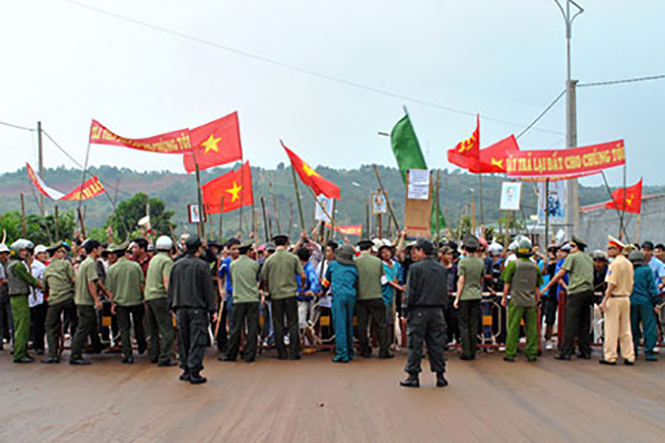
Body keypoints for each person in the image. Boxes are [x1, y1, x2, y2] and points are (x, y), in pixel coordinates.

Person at [168, 235, 217, 384]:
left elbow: (171, 287)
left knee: (183, 340)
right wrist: (212, 309)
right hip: (197, 308)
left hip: (180, 308)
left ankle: (185, 370)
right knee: (197, 340)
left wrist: (171, 306)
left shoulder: (176, 265)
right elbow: (208, 289)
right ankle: (194, 370)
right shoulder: (202, 266)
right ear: (199, 248)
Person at [400, 240, 448, 388]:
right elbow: (444, 291)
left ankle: (413, 376)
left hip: (419, 310)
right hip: (437, 310)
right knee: (436, 344)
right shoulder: (441, 269)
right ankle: (440, 375)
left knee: (415, 344)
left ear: (421, 251)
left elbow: (410, 292)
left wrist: (405, 311)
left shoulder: (415, 268)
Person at [542, 236, 594, 361]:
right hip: (588, 291)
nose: (569, 249)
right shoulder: (588, 258)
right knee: (584, 322)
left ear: (576, 247)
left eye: (571, 246)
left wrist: (546, 287)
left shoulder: (572, 257)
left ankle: (566, 352)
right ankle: (585, 350)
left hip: (576, 291)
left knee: (570, 322)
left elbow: (560, 274)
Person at [260, 234, 305, 360]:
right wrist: (301, 286)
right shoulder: (293, 258)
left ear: (275, 245)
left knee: (278, 323)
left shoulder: (269, 260)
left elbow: (264, 278)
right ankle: (294, 352)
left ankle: (281, 352)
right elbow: (303, 275)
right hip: (290, 294)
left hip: (276, 295)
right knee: (293, 323)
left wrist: (268, 288)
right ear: (286, 244)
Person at [501, 238, 543, 363]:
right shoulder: (535, 266)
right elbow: (537, 286)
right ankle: (531, 353)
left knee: (513, 327)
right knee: (531, 328)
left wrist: (504, 297)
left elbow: (507, 283)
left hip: (516, 300)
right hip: (530, 301)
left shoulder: (513, 265)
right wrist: (538, 299)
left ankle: (510, 353)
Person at [105, 242, 146, 364]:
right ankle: (142, 346)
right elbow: (142, 284)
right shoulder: (135, 266)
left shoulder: (112, 269)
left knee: (124, 329)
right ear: (125, 253)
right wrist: (144, 298)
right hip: (136, 300)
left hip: (120, 303)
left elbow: (109, 289)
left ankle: (127, 354)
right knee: (139, 324)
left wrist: (112, 303)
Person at [222, 241, 261, 363]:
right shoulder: (255, 264)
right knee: (252, 328)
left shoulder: (233, 264)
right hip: (252, 299)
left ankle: (231, 354)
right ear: (248, 252)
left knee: (236, 328)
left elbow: (232, 280)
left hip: (238, 299)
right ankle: (250, 354)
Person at [599, 237, 635, 365]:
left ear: (617, 250)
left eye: (610, 248)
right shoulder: (628, 263)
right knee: (626, 329)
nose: (608, 251)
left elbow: (612, 284)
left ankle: (610, 356)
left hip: (614, 298)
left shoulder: (614, 264)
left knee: (611, 329)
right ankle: (629, 355)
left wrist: (604, 300)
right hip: (625, 297)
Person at [70, 239, 105, 365]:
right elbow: (91, 283)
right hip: (85, 300)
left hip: (81, 299)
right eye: (99, 248)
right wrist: (97, 299)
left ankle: (97, 346)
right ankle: (75, 354)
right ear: (95, 250)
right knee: (83, 328)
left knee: (91, 324)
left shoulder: (86, 263)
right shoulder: (90, 264)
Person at [355, 239, 392, 359]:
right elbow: (383, 279)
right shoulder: (377, 261)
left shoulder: (355, 262)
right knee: (381, 324)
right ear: (370, 248)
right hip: (376, 296)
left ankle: (365, 350)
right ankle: (384, 351)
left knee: (362, 325)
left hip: (360, 297)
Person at [7, 240, 42, 363]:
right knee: (22, 325)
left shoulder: (11, 264)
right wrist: (42, 285)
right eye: (22, 251)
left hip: (16, 297)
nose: (25, 253)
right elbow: (30, 280)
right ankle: (20, 353)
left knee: (20, 325)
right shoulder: (18, 266)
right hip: (19, 297)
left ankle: (21, 350)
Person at [41, 242, 77, 364]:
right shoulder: (66, 264)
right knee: (74, 323)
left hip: (54, 300)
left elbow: (44, 288)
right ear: (57, 253)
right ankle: (76, 353)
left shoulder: (47, 269)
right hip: (68, 298)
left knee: (51, 326)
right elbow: (73, 279)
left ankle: (53, 354)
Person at [144, 236, 176, 367]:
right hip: (160, 297)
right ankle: (165, 358)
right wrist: (172, 299)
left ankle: (154, 355)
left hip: (149, 297)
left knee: (153, 330)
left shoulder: (154, 259)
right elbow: (166, 282)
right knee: (167, 330)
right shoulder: (167, 261)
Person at [323, 244, 358, 363]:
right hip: (351, 296)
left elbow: (326, 281)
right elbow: (356, 283)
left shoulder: (333, 265)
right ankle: (350, 351)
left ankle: (342, 353)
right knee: (349, 325)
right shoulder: (354, 267)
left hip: (338, 296)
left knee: (339, 326)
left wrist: (322, 291)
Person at [453, 235, 484, 361]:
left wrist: (457, 298)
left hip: (465, 296)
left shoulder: (463, 262)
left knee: (464, 325)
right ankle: (473, 350)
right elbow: (481, 279)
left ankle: (466, 352)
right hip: (476, 295)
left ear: (465, 248)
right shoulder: (480, 262)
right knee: (474, 324)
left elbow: (461, 281)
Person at [628, 250, 660, 362]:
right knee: (649, 327)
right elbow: (652, 288)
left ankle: (633, 349)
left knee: (633, 326)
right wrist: (656, 301)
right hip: (646, 302)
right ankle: (649, 351)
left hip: (631, 301)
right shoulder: (647, 270)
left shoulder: (629, 270)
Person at [217, 238, 240, 354]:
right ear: (229, 250)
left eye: (237, 249)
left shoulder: (243, 261)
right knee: (231, 321)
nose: (236, 251)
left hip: (241, 294)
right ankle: (233, 346)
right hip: (230, 294)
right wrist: (221, 290)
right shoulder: (225, 262)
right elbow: (220, 277)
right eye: (233, 249)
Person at [296, 247, 320, 348]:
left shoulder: (309, 269)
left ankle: (311, 342)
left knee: (302, 322)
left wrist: (312, 290)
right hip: (296, 298)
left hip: (304, 300)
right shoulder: (297, 268)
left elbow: (314, 281)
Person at [29, 244, 48, 355]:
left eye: (45, 253)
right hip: (30, 297)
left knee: (39, 323)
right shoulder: (27, 266)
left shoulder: (43, 266)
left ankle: (39, 345)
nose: (44, 255)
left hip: (41, 298)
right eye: (42, 253)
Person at [0, 243, 13, 350]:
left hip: (9, 294)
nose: (3, 256)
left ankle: (14, 343)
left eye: (5, 254)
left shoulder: (11, 265)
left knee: (11, 319)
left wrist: (6, 281)